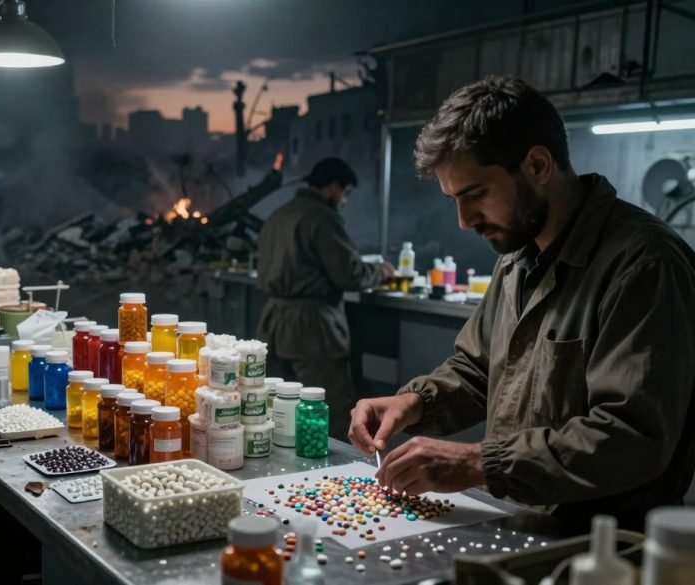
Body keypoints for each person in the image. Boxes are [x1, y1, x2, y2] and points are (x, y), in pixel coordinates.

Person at [348, 76, 695, 532]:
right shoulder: (517, 257)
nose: (465, 220)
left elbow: (632, 437)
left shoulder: (643, 264)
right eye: (454, 200)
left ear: (537, 165)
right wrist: (414, 402)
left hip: (599, 543)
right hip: (517, 517)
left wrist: (478, 463)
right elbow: (478, 371)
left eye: (475, 195)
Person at [258, 157, 395, 437]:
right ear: (334, 187)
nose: (344, 201)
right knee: (326, 408)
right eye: (345, 194)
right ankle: (331, 476)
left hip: (273, 323)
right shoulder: (322, 217)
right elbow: (350, 275)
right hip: (312, 330)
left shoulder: (280, 214)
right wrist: (381, 271)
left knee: (280, 410)